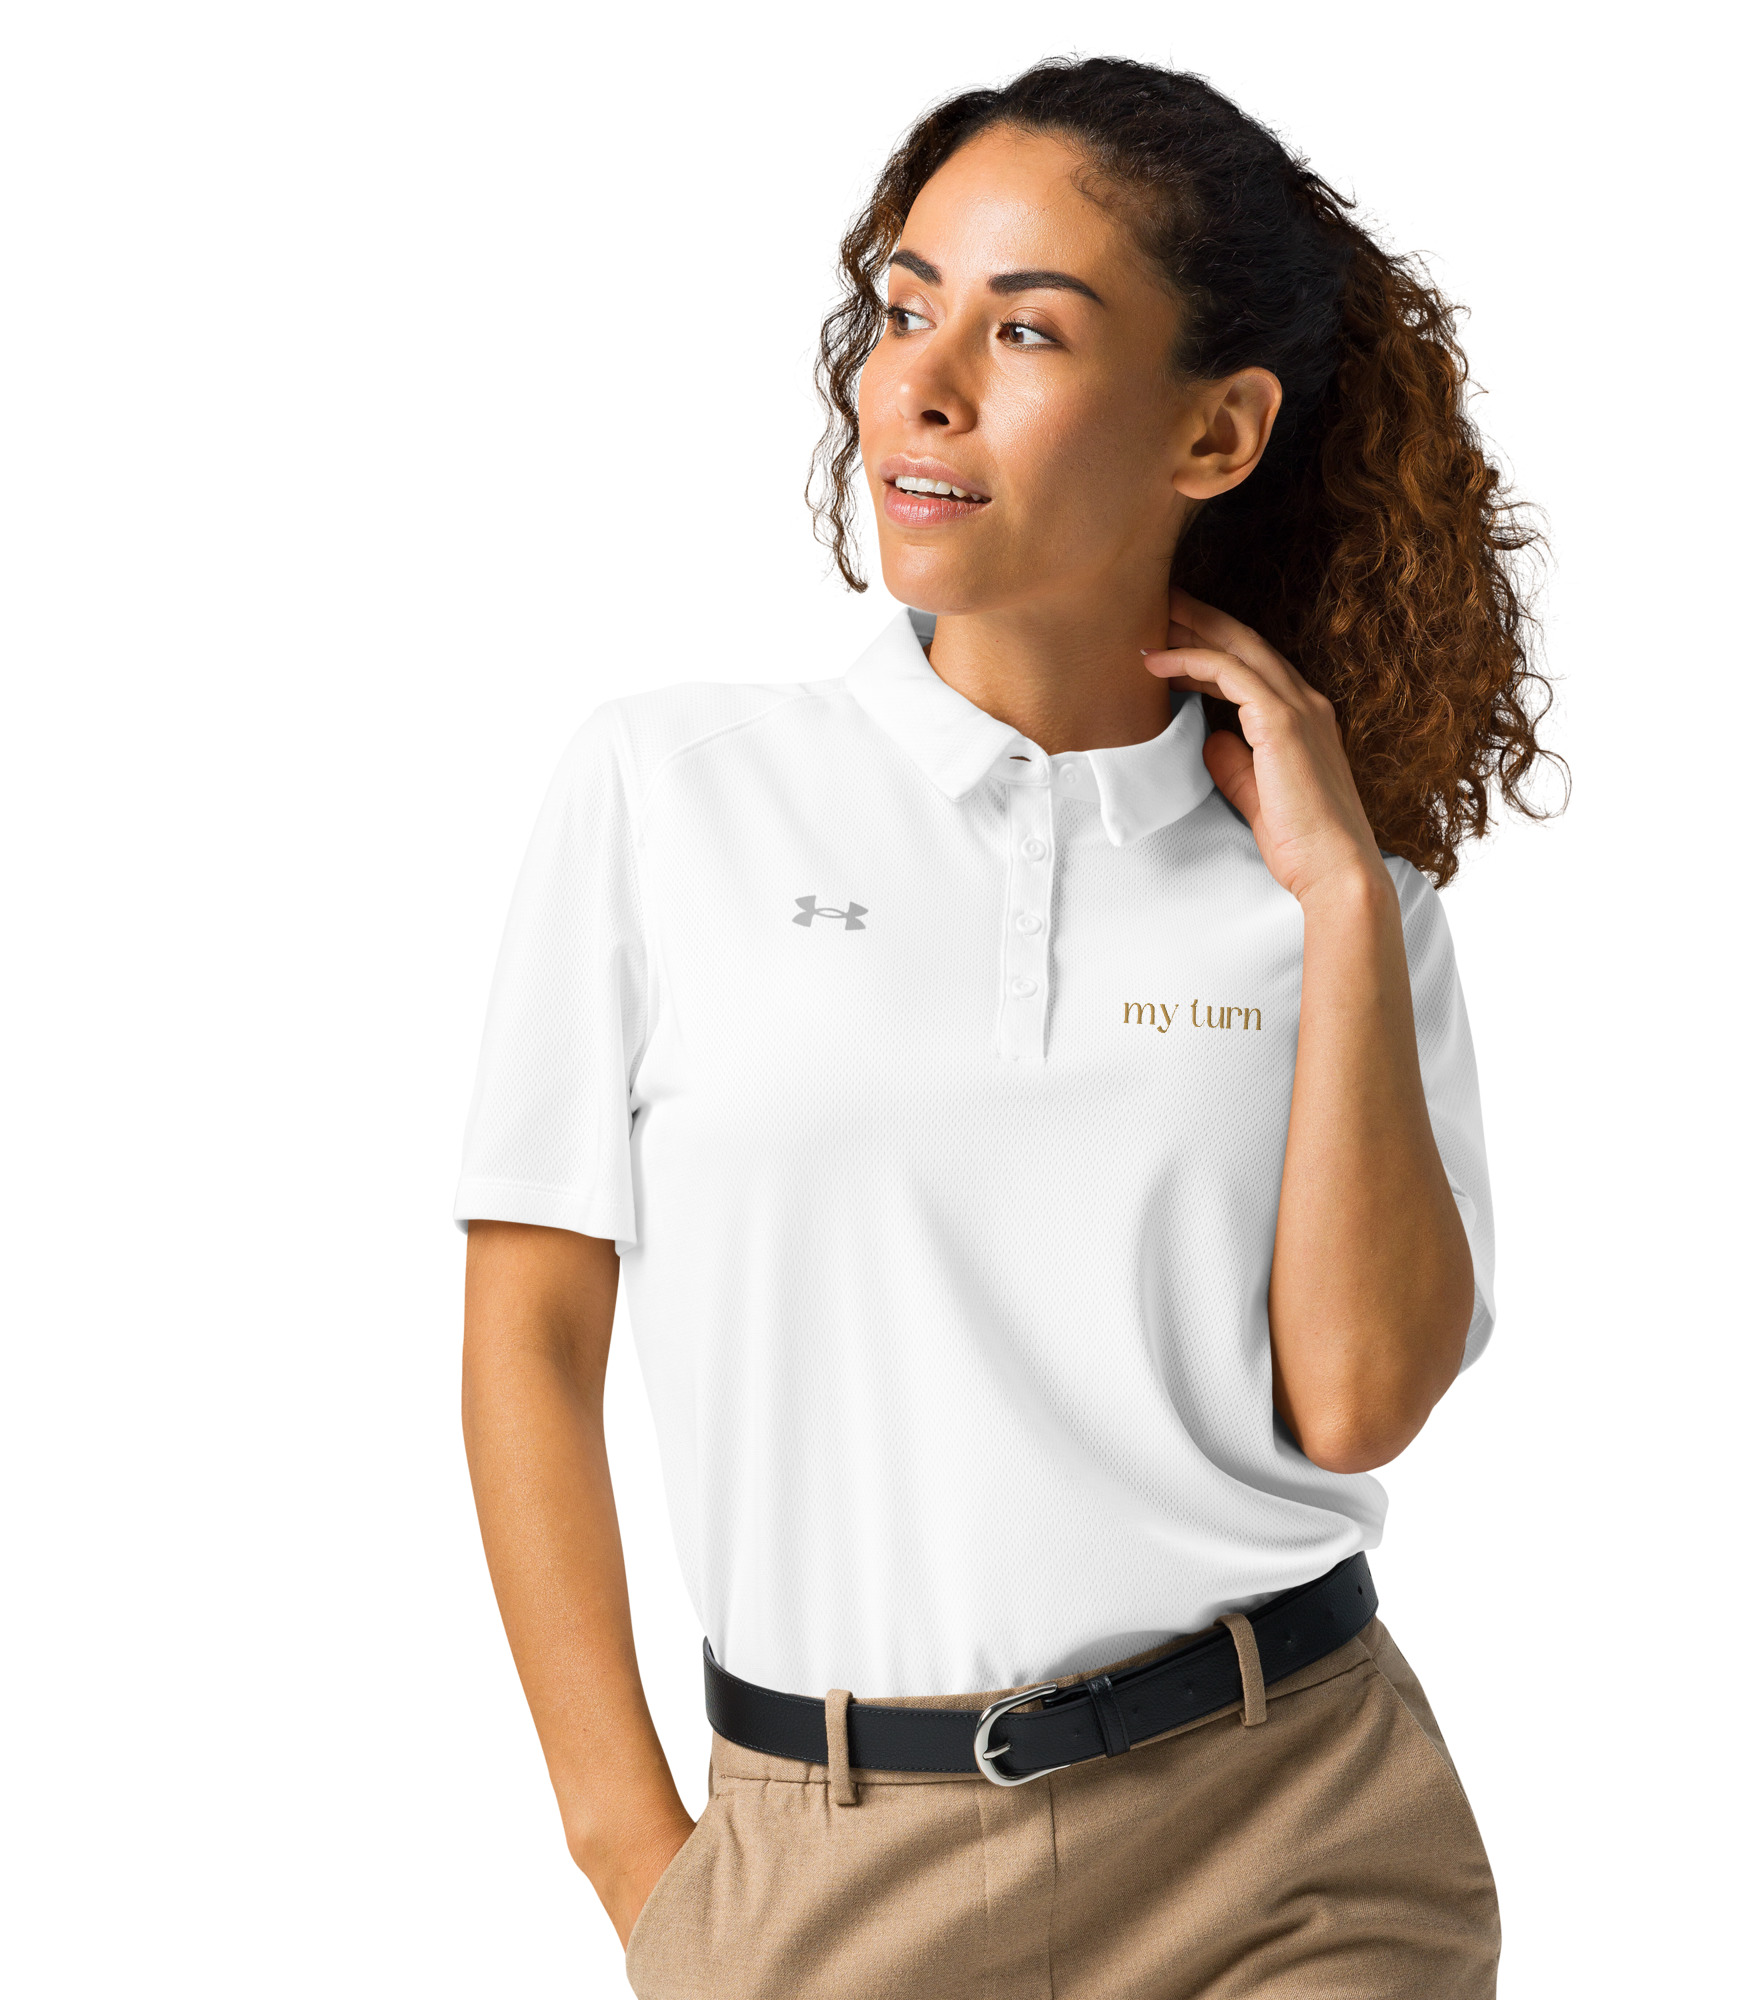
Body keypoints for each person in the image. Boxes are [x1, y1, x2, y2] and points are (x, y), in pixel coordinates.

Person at [456, 53, 1558, 2000]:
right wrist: (640, 1862)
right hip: (826, 1864)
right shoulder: (669, 794)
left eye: (1026, 330)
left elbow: (1362, 1400)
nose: (921, 384)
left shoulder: (1336, 893)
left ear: (1215, 433)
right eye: (905, 310)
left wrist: (1337, 907)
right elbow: (531, 1339)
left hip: (1292, 1840)